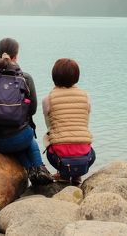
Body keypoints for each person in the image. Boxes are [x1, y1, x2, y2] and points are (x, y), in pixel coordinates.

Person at [0, 37, 53, 186]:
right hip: (21, 139)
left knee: (18, 142)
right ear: (16, 55)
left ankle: (30, 170)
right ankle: (39, 168)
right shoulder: (25, 78)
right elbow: (31, 110)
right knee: (27, 138)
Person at [42, 57, 96, 186]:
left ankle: (64, 175)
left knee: (51, 140)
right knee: (82, 140)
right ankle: (77, 175)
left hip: (59, 159)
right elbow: (85, 123)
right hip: (86, 158)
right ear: (76, 76)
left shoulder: (47, 99)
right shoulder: (86, 96)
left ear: (54, 76)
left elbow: (49, 126)